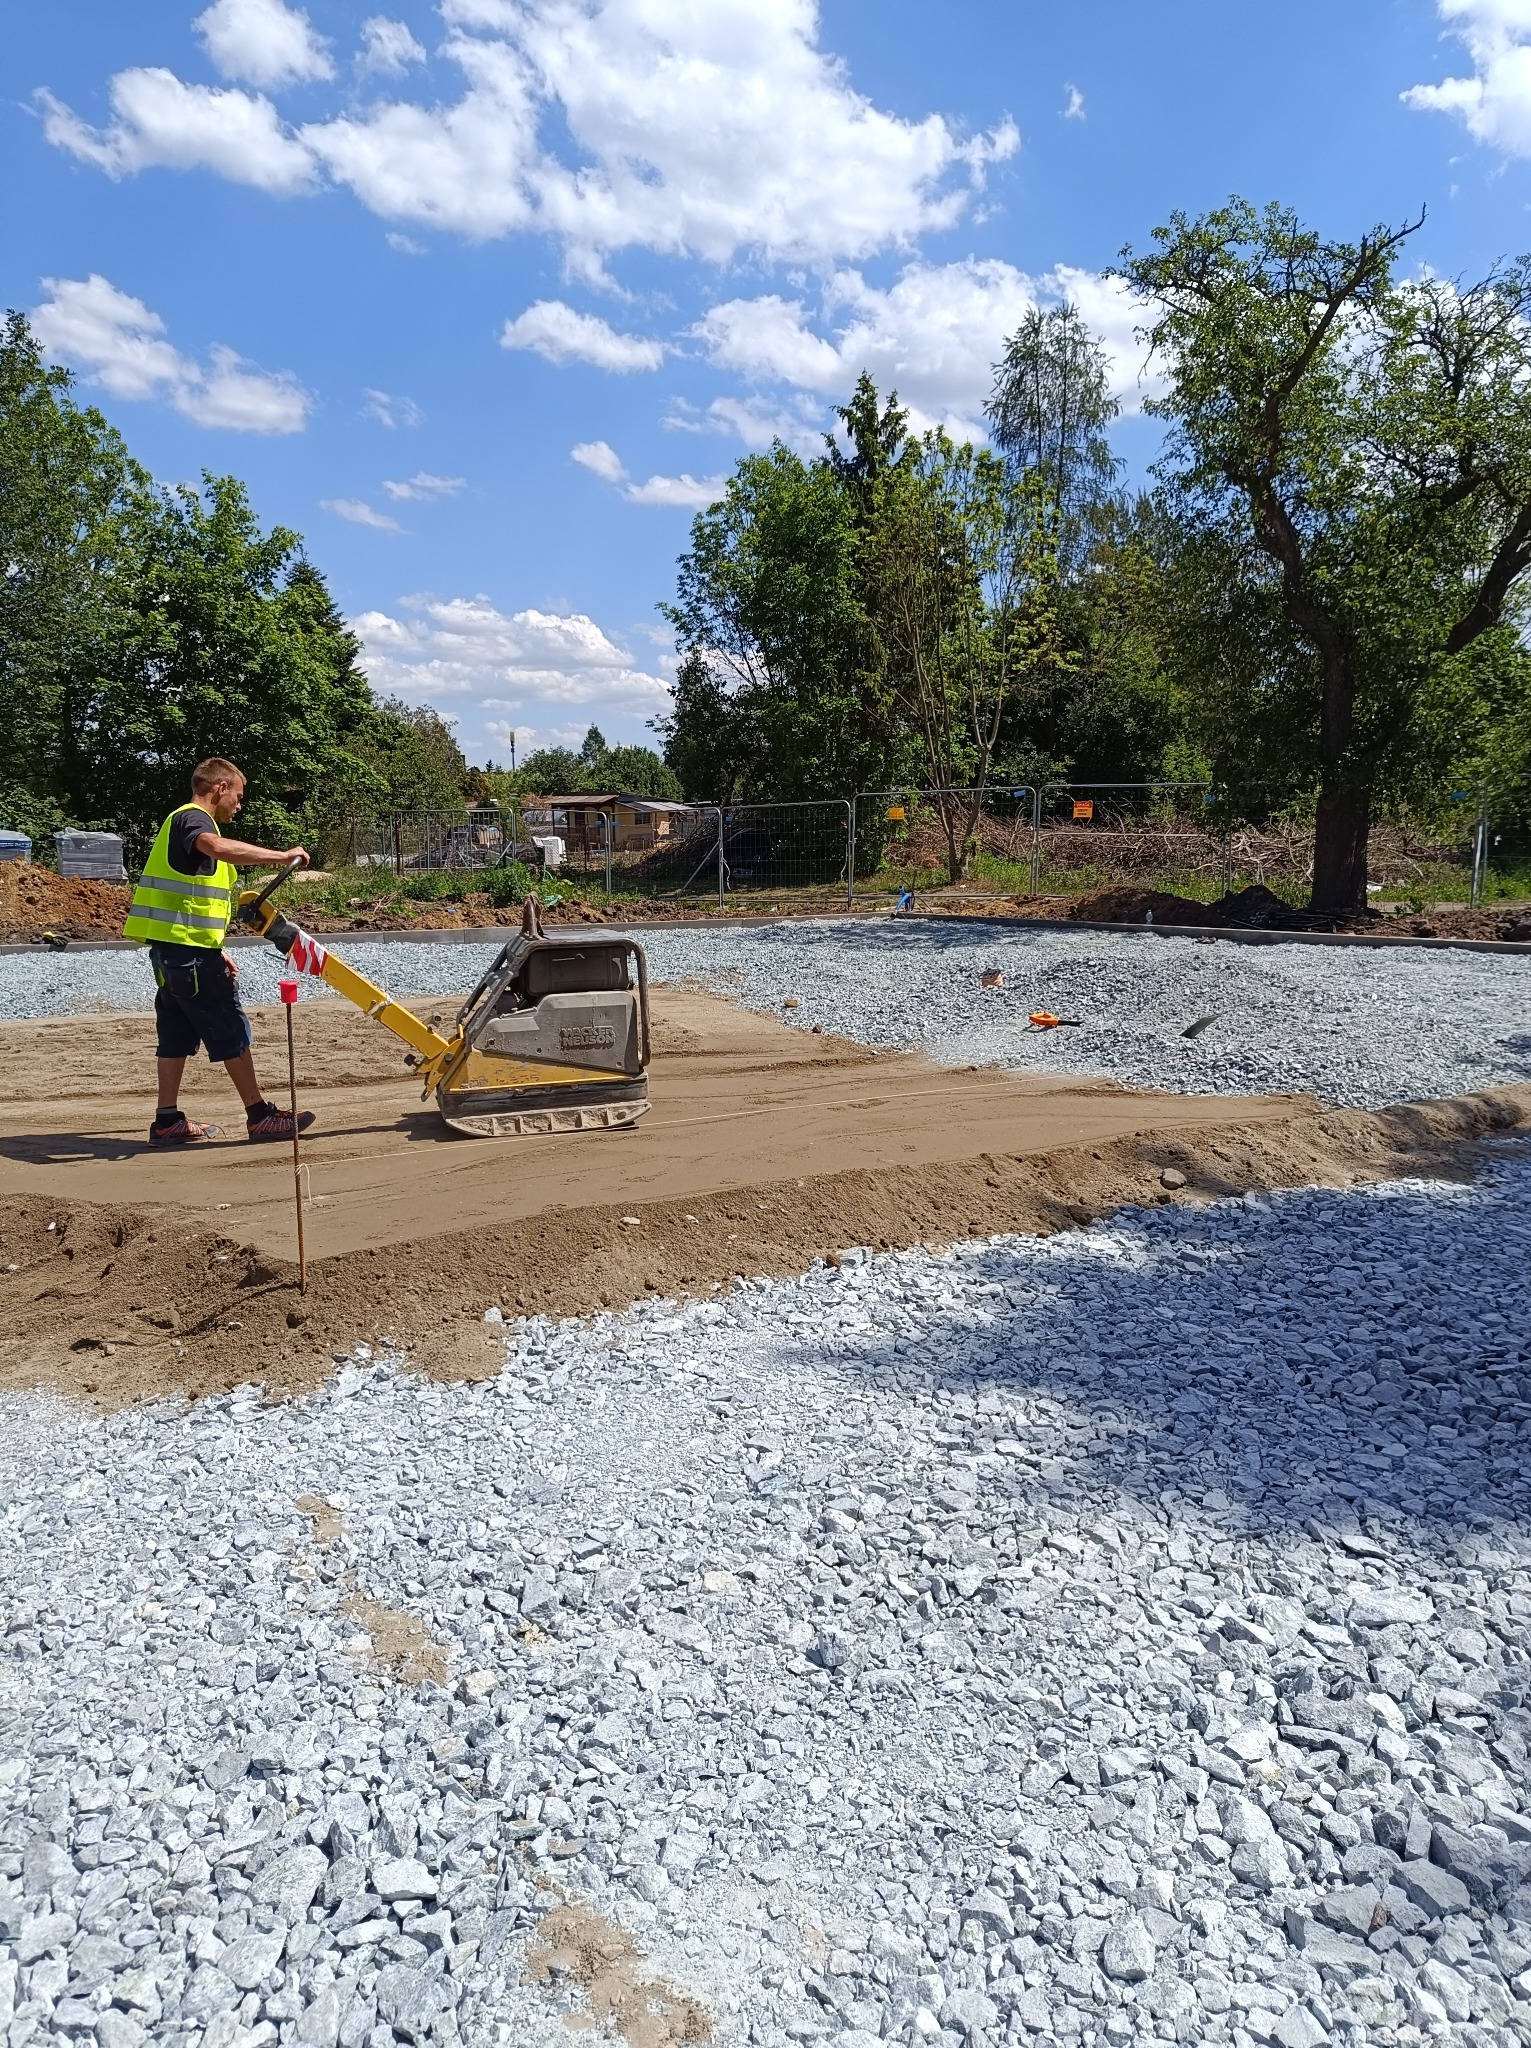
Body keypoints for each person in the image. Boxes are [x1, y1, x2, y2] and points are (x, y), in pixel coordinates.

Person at [122, 757, 316, 1147]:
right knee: (229, 1028)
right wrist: (281, 856)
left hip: (174, 952)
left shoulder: (181, 823)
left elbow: (193, 905)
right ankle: (259, 1117)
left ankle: (166, 1121)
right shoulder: (195, 820)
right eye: (238, 797)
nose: (239, 806)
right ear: (221, 788)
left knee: (175, 1034)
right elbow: (214, 846)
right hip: (189, 955)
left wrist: (217, 947)